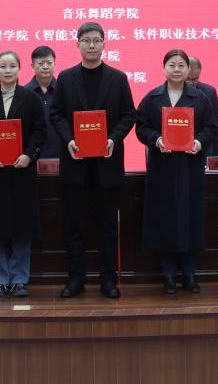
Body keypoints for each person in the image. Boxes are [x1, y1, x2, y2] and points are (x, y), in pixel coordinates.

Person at [48, 22, 137, 299]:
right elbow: (56, 113)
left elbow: (129, 114)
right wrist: (68, 139)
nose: (91, 45)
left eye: (96, 40)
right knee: (74, 226)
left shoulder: (118, 78)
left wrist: (113, 138)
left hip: (107, 164)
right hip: (75, 163)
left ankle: (108, 280)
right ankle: (76, 279)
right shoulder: (66, 77)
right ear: (77, 44)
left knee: (108, 226)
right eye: (86, 40)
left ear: (104, 44)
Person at [135, 49, 218, 294]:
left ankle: (190, 274)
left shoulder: (200, 98)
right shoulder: (152, 97)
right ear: (164, 68)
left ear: (188, 69)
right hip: (162, 168)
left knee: (190, 219)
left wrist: (199, 142)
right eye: (171, 65)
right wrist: (156, 139)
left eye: (181, 65)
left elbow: (212, 127)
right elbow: (141, 127)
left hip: (190, 167)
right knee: (165, 221)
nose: (176, 69)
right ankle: (168, 275)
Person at [0, 50, 46, 298]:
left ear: (20, 69)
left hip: (22, 172)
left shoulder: (31, 99)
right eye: (3, 66)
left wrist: (29, 155)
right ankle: (0, 280)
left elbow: (40, 132)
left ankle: (19, 280)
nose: (8, 70)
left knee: (22, 228)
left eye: (12, 66)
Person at [24, 45, 63, 160]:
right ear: (32, 66)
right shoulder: (24, 93)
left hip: (61, 153)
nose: (45, 67)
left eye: (49, 63)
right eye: (41, 63)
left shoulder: (63, 90)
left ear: (54, 65)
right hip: (31, 156)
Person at [185, 55, 218, 158]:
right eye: (188, 79)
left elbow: (217, 128)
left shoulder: (209, 92)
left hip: (204, 151)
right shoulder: (170, 92)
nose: (191, 83)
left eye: (195, 79)